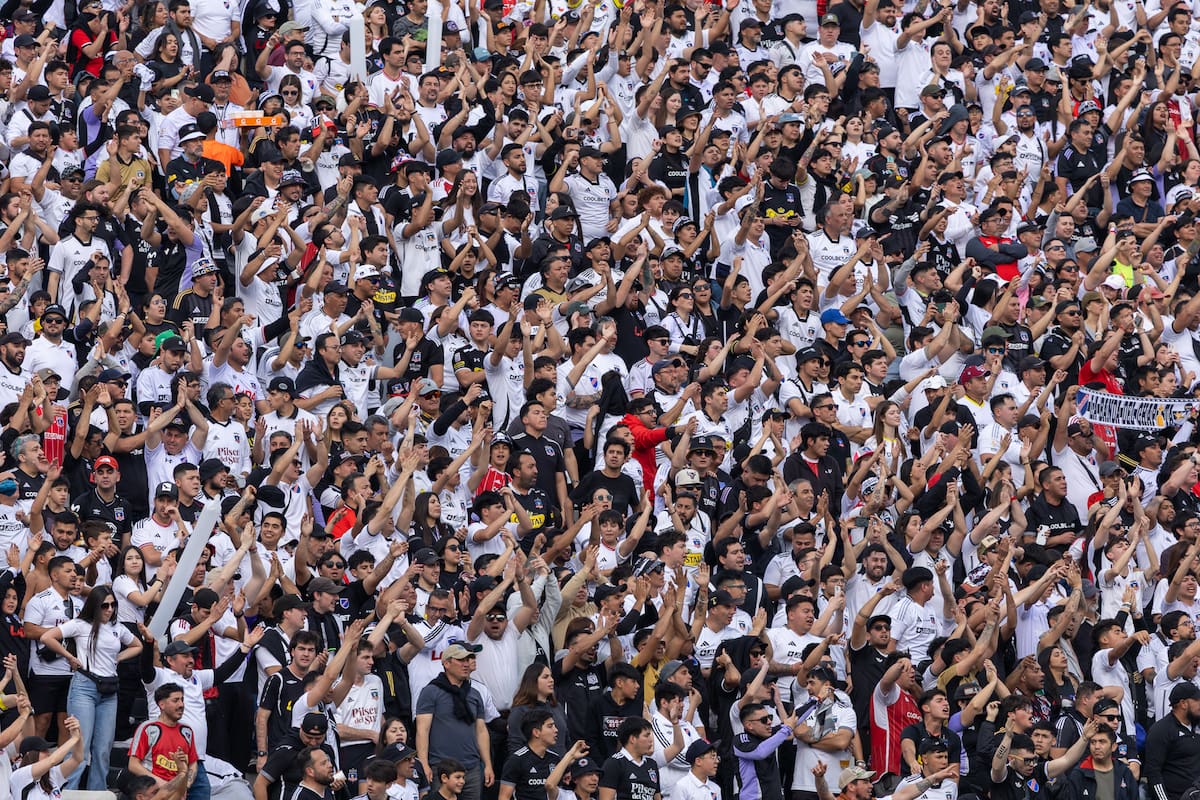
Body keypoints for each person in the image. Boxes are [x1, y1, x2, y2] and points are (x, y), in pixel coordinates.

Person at [38, 584, 142, 790]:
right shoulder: (80, 624)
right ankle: (68, 793)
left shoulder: (117, 626)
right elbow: (46, 637)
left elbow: (137, 645)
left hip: (110, 689)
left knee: (103, 748)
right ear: (95, 605)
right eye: (105, 605)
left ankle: (97, 792)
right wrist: (70, 656)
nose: (110, 609)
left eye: (113, 605)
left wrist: (118, 657)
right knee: (79, 746)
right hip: (85, 686)